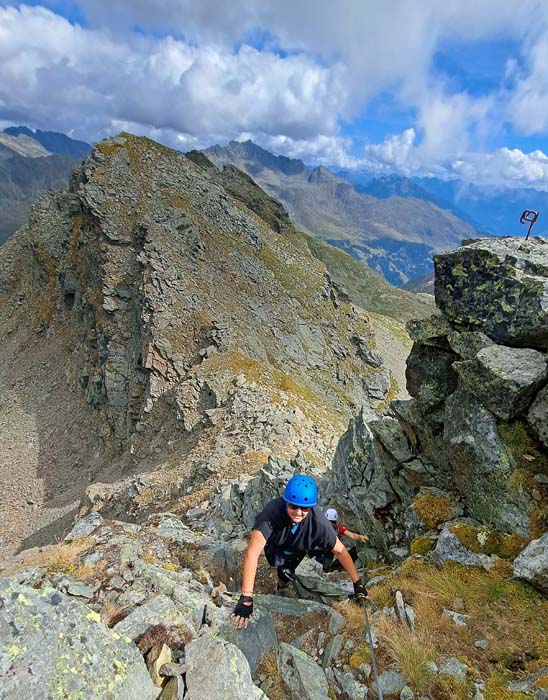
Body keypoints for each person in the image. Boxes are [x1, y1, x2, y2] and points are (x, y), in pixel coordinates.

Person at [232, 474, 369, 629]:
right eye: (293, 506)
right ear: (286, 502)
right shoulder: (272, 513)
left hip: (298, 549)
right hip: (275, 545)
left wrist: (357, 583)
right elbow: (252, 553)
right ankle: (280, 580)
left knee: (285, 574)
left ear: (310, 507)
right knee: (275, 562)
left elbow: (341, 551)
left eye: (304, 508)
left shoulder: (320, 524)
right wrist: (246, 597)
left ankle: (281, 587)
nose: (298, 512)